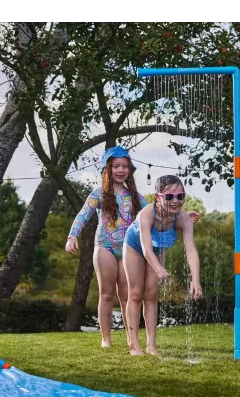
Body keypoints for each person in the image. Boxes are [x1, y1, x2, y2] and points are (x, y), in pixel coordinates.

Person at [65, 147, 199, 349]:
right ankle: (106, 338)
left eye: (125, 166)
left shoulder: (134, 196)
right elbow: (83, 215)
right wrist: (72, 236)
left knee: (127, 293)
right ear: (107, 169)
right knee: (107, 293)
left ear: (130, 170)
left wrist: (182, 215)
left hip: (129, 248)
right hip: (105, 246)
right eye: (116, 166)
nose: (121, 170)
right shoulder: (99, 194)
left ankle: (131, 337)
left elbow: (160, 209)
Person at [123, 174, 203, 356]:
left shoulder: (183, 219)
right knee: (135, 293)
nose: (175, 201)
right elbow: (146, 249)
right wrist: (159, 269)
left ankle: (151, 345)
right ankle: (134, 345)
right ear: (157, 197)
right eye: (169, 197)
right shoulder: (146, 214)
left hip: (157, 249)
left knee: (151, 295)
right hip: (135, 247)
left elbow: (191, 250)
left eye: (180, 196)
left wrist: (195, 280)